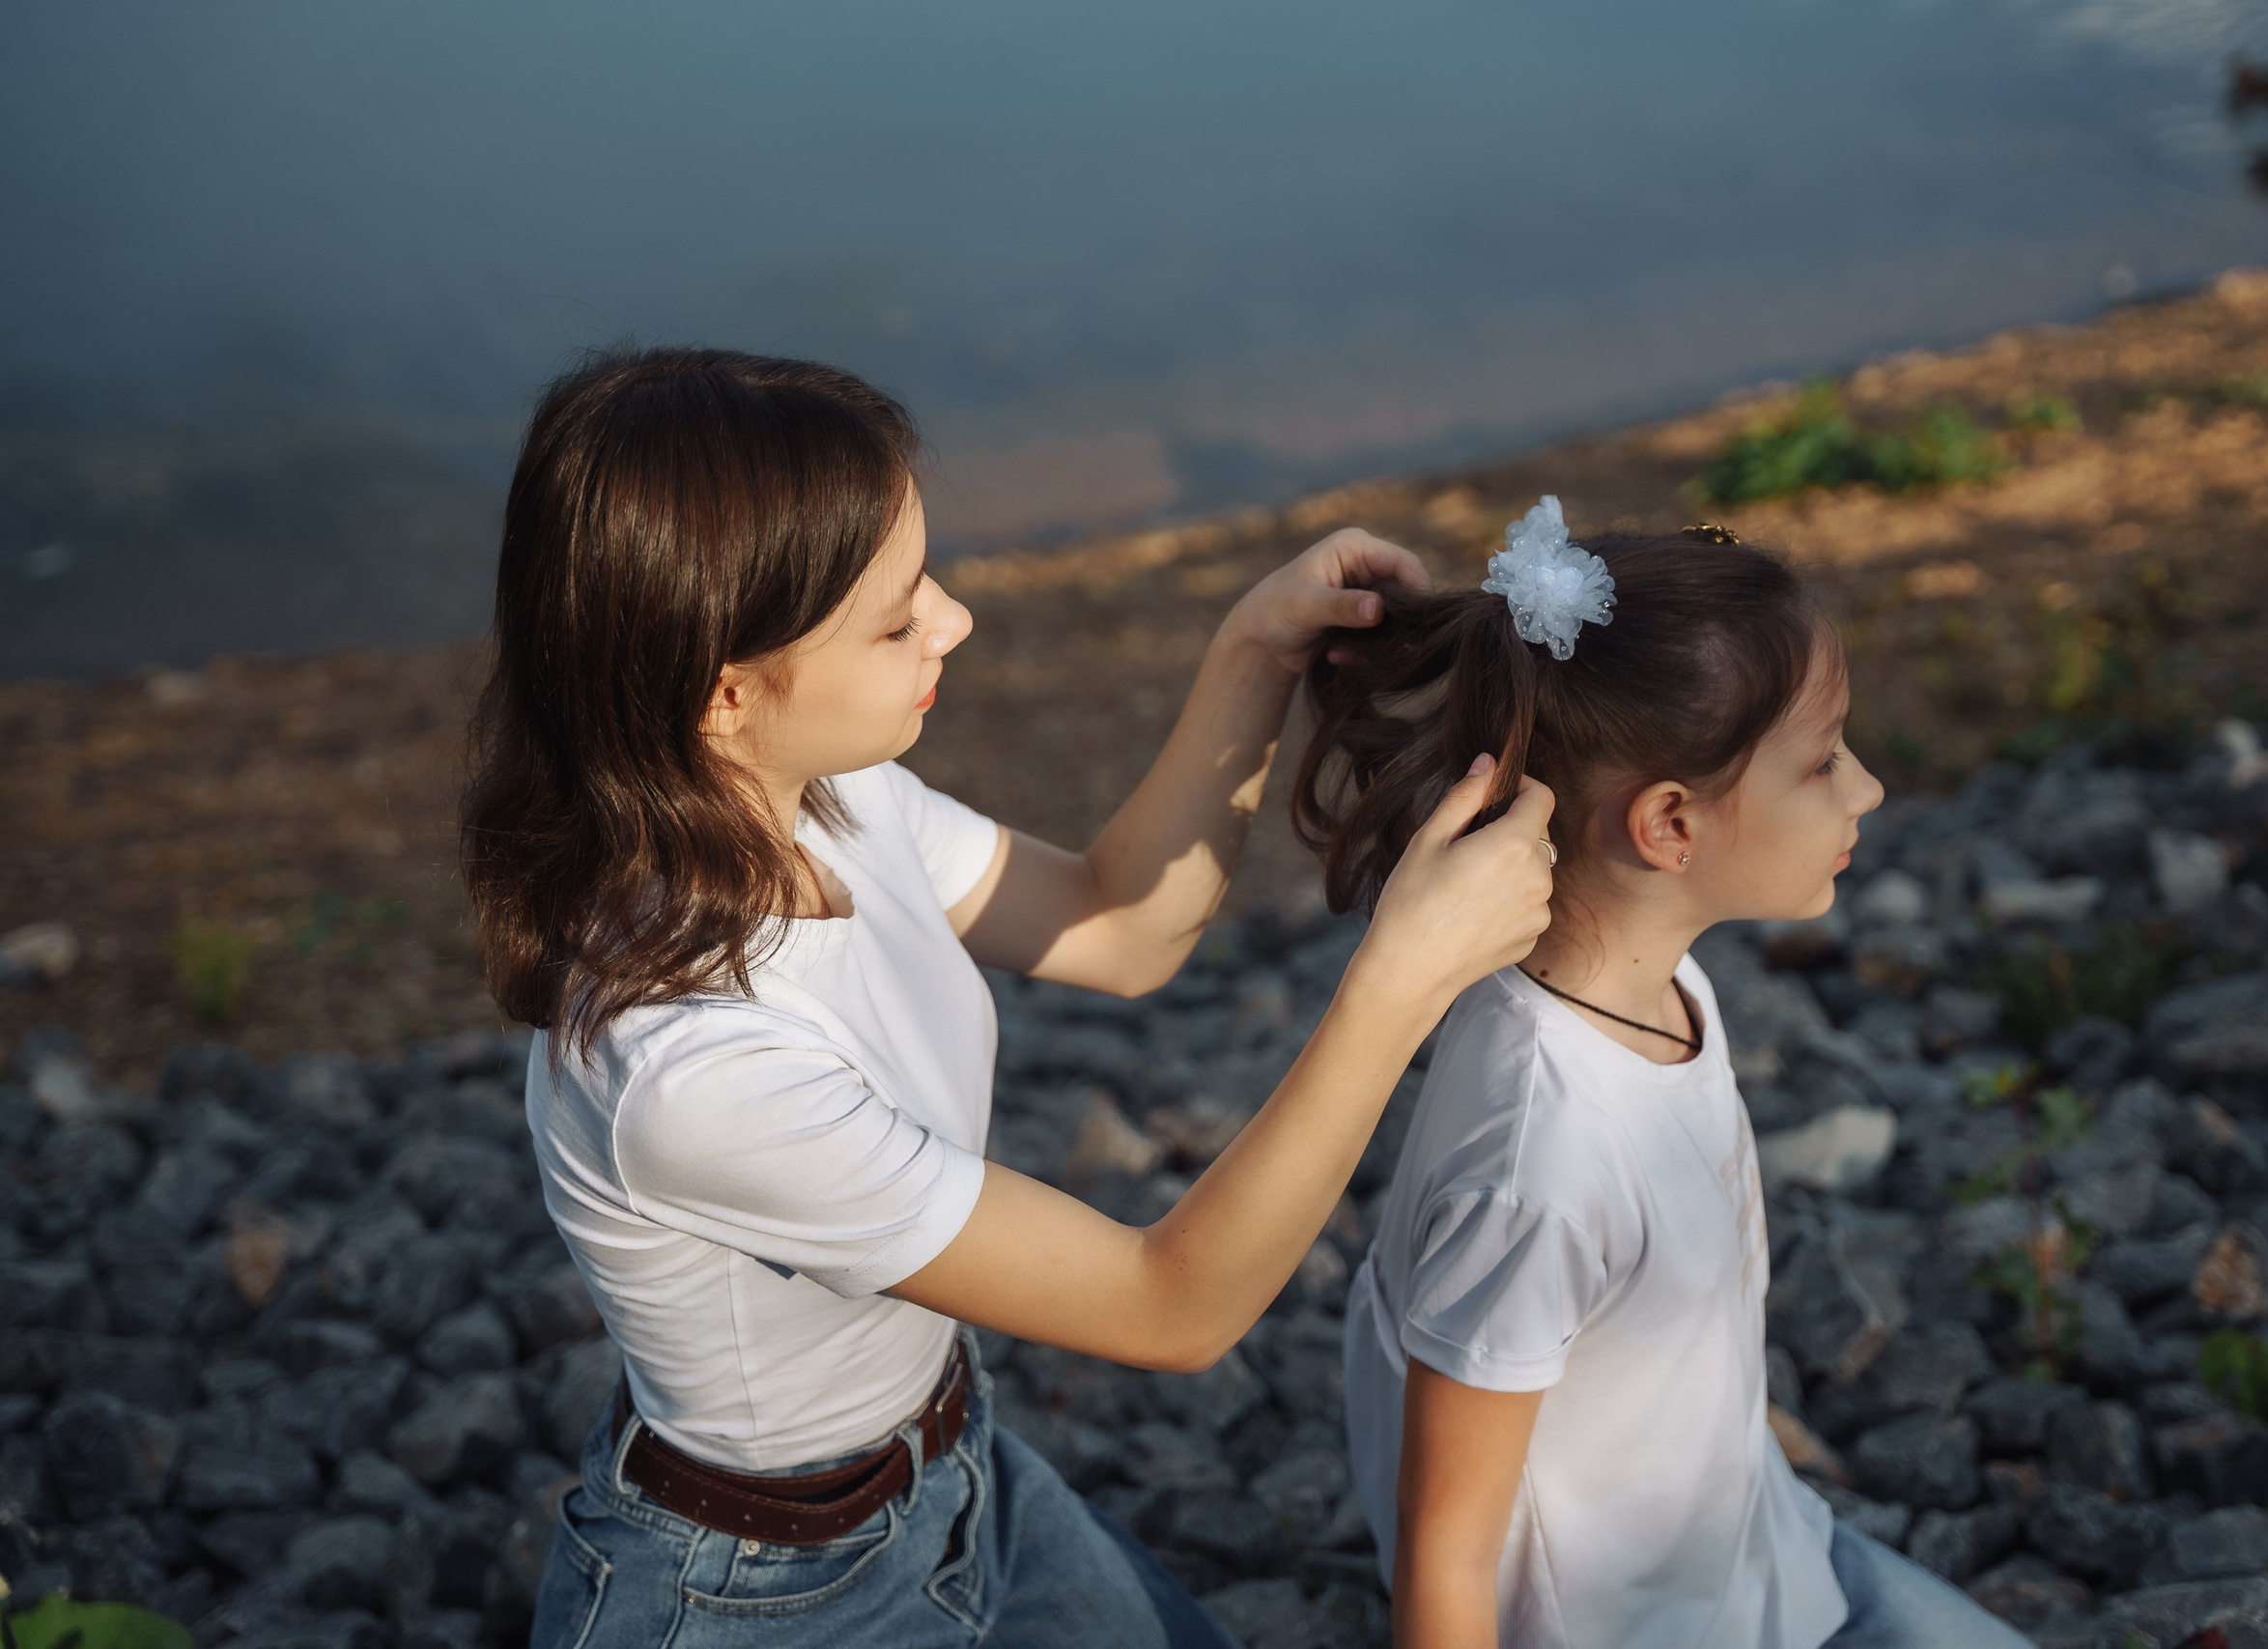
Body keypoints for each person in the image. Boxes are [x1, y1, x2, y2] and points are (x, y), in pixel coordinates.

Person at [461, 349, 1558, 1649]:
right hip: (760, 1596)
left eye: (924, 573)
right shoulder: (693, 1067)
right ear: (726, 696)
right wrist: (1405, 973)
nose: (955, 619)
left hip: (962, 1469)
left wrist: (1254, 649)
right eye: (895, 615)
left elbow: (1120, 923)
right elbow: (1172, 1305)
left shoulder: (828, 799)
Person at [1295, 499, 2034, 1649]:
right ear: (1670, 827)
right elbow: (1446, 1557)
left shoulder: (1657, 988)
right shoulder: (1540, 1157)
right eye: (1824, 761)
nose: (1868, 790)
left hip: (1762, 1558)